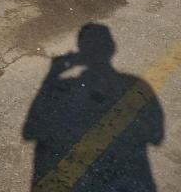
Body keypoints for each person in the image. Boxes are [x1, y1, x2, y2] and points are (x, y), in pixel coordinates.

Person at [23, 23, 164, 191]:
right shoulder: (136, 85)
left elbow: (30, 131)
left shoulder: (65, 87)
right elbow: (156, 136)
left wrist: (52, 75)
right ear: (112, 48)